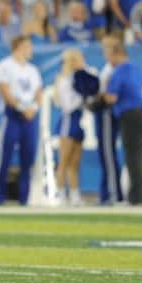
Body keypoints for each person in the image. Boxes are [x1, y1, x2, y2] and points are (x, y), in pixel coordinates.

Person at [0, 36, 43, 205]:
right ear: (19, 46)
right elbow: (4, 90)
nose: (31, 50)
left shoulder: (32, 70)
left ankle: (25, 198)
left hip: (30, 116)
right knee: (5, 156)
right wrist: (20, 107)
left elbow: (38, 92)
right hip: (12, 114)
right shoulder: (4, 66)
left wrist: (33, 108)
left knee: (28, 157)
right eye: (28, 46)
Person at [102, 35, 142, 205]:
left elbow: (111, 98)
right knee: (138, 156)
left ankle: (136, 197)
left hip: (129, 116)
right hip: (141, 114)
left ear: (117, 54)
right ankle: (140, 194)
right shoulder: (136, 69)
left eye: (109, 56)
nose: (108, 60)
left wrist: (102, 95)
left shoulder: (119, 71)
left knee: (132, 157)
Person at [54, 48, 86, 206]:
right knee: (64, 161)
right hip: (68, 122)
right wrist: (82, 97)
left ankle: (74, 195)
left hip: (79, 122)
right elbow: (67, 106)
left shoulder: (79, 78)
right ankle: (59, 194)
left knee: (75, 163)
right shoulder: (64, 81)